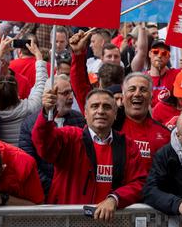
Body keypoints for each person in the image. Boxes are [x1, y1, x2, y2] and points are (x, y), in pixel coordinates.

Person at [32, 88, 147, 220]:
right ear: (85, 114)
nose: (101, 111)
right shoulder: (69, 137)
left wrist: (115, 199)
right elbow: (43, 143)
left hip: (110, 222)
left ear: (115, 114)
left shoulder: (128, 145)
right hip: (67, 221)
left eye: (107, 107)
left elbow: (139, 183)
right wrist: (47, 114)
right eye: (94, 106)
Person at [18, 74, 85, 196]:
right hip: (45, 192)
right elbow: (29, 161)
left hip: (74, 188)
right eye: (65, 93)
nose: (71, 97)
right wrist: (51, 187)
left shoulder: (79, 119)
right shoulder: (30, 124)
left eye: (71, 92)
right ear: (51, 95)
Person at [0, 37, 48, 145]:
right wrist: (38, 55)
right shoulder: (28, 108)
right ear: (16, 92)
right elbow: (42, 83)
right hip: (21, 155)